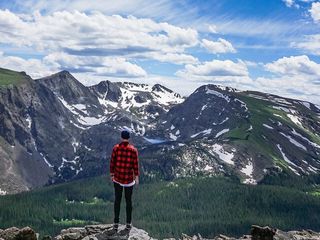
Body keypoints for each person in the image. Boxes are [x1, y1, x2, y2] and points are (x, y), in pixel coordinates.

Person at [108, 130, 139, 236]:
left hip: (117, 178)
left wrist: (112, 174)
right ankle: (128, 225)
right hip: (129, 180)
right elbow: (135, 165)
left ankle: (115, 225)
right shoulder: (133, 150)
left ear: (121, 137)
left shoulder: (116, 148)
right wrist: (137, 176)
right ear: (129, 138)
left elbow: (112, 162)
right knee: (128, 202)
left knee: (117, 201)